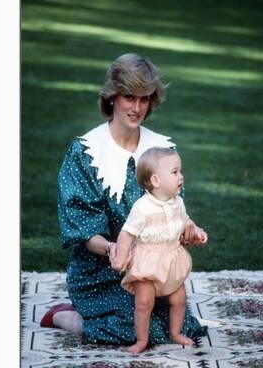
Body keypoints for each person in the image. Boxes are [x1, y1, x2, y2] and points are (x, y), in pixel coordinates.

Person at [40, 53, 208, 346]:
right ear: (112, 97)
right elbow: (83, 227)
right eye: (129, 97)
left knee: (181, 327)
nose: (137, 107)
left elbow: (174, 210)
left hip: (152, 270)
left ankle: (99, 319)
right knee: (136, 329)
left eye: (144, 99)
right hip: (101, 271)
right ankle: (68, 317)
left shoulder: (161, 150)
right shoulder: (86, 152)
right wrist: (113, 249)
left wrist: (186, 231)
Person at [111, 147, 208, 355]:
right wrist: (120, 257)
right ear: (156, 181)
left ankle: (175, 332)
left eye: (180, 171)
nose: (181, 176)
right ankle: (141, 340)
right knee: (144, 303)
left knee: (178, 299)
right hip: (148, 263)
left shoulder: (178, 203)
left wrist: (195, 230)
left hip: (171, 260)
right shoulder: (142, 208)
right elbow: (127, 234)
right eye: (175, 172)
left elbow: (186, 221)